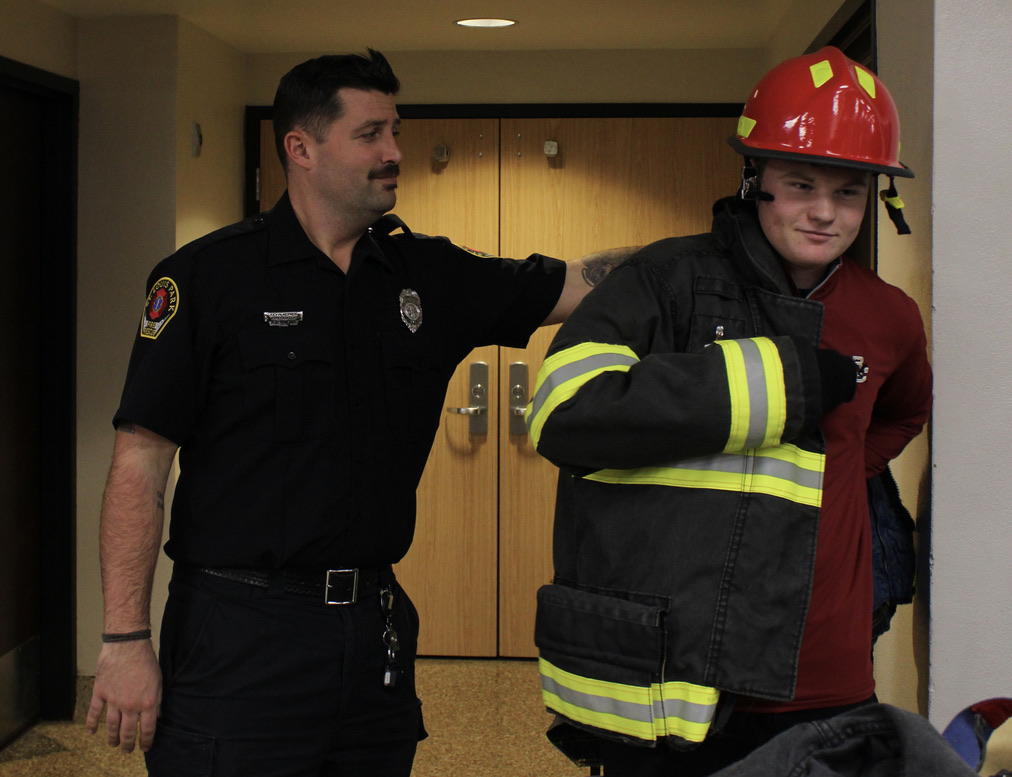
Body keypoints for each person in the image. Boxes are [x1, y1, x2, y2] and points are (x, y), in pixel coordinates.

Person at [84, 49, 634, 777]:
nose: (394, 153)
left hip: (371, 633)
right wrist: (125, 639)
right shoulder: (207, 278)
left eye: (395, 131)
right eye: (371, 134)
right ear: (301, 148)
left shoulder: (425, 276)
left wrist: (720, 251)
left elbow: (579, 284)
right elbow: (139, 464)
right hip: (238, 636)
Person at [526, 46, 932, 776]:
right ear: (755, 180)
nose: (823, 212)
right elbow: (564, 411)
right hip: (685, 677)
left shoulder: (890, 317)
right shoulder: (663, 280)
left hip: (829, 676)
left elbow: (901, 416)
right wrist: (779, 384)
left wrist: (840, 473)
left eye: (848, 192)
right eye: (800, 184)